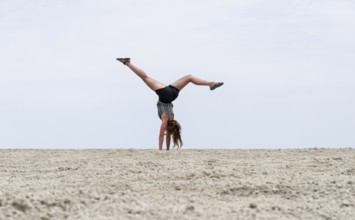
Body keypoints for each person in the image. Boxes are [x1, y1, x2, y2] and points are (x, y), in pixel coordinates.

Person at [116, 58, 223, 151]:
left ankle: (210, 83)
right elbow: (161, 135)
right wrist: (161, 150)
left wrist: (167, 150)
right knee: (145, 77)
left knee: (189, 77)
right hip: (165, 95)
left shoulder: (172, 118)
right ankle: (127, 63)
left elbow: (167, 135)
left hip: (173, 94)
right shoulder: (165, 119)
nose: (167, 132)